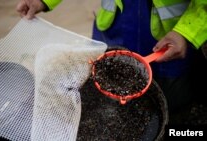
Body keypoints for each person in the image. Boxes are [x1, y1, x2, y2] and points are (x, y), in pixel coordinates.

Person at [17, 0, 207, 112]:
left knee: (172, 100)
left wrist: (187, 32)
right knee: (104, 83)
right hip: (114, 28)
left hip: (169, 37)